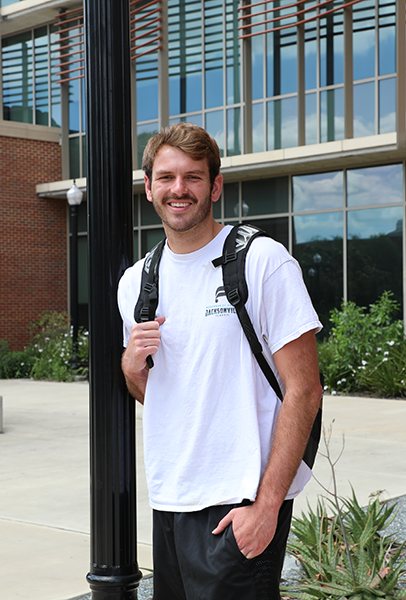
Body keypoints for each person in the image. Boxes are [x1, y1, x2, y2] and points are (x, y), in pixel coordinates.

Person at [117, 122, 323, 600]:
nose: (179, 189)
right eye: (166, 177)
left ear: (215, 186)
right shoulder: (137, 282)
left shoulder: (262, 262)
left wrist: (267, 506)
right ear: (148, 188)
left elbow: (305, 389)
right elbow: (169, 396)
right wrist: (131, 370)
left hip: (239, 501)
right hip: (171, 499)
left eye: (193, 176)